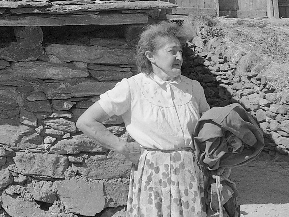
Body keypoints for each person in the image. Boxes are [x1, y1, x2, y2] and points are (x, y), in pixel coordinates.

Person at [76, 21, 210, 217]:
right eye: (172, 51)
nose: (179, 57)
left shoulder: (193, 88)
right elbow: (86, 121)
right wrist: (121, 146)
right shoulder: (132, 87)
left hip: (189, 172)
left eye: (180, 51)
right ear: (150, 56)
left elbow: (209, 127)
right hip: (152, 174)